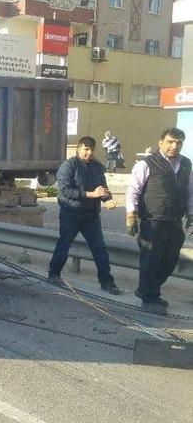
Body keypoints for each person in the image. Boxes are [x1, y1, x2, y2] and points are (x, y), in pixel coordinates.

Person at [126, 128, 193, 315]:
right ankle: (150, 298)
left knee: (170, 261)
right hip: (152, 221)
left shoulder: (186, 164)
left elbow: (190, 191)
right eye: (171, 142)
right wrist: (131, 215)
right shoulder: (146, 164)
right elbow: (133, 190)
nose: (174, 146)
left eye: (179, 142)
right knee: (151, 260)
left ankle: (146, 289)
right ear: (160, 142)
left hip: (174, 221)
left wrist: (191, 215)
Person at [47, 136, 122, 295]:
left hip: (91, 216)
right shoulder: (68, 166)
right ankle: (54, 274)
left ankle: (107, 282)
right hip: (71, 213)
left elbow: (102, 188)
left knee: (99, 249)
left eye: (92, 150)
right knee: (64, 245)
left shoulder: (97, 167)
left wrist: (107, 199)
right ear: (78, 149)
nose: (89, 153)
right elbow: (66, 191)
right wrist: (90, 194)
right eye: (86, 149)